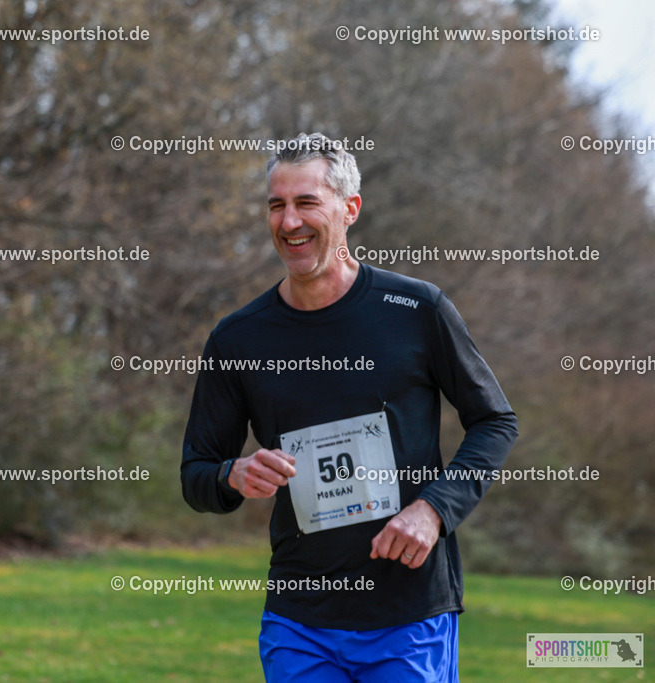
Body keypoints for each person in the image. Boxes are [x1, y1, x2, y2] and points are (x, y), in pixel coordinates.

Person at [180, 132, 518, 681]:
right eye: (276, 205)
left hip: (408, 612)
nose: (289, 222)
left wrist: (433, 509)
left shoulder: (416, 309)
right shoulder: (238, 339)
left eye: (306, 202)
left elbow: (496, 421)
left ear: (349, 209)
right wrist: (233, 474)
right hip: (299, 619)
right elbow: (196, 474)